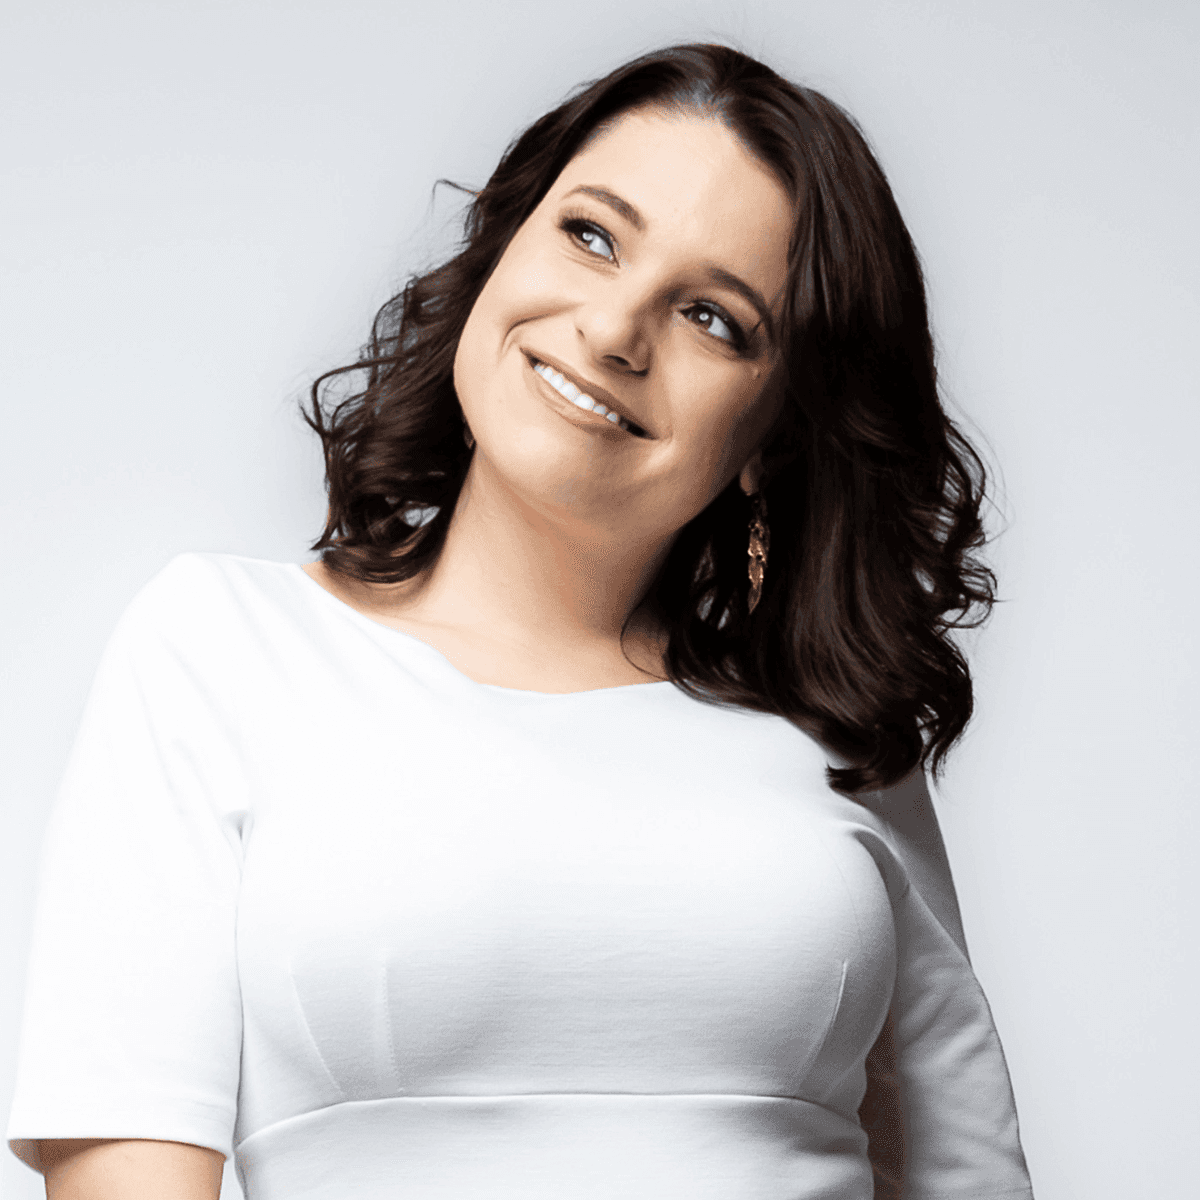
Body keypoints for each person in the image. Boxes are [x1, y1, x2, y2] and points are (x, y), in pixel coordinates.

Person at [7, 43, 1034, 1200]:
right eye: (592, 235)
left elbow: (966, 1172)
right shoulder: (218, 648)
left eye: (712, 316)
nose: (615, 329)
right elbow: (125, 1162)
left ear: (776, 437)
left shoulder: (835, 731)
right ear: (500, 251)